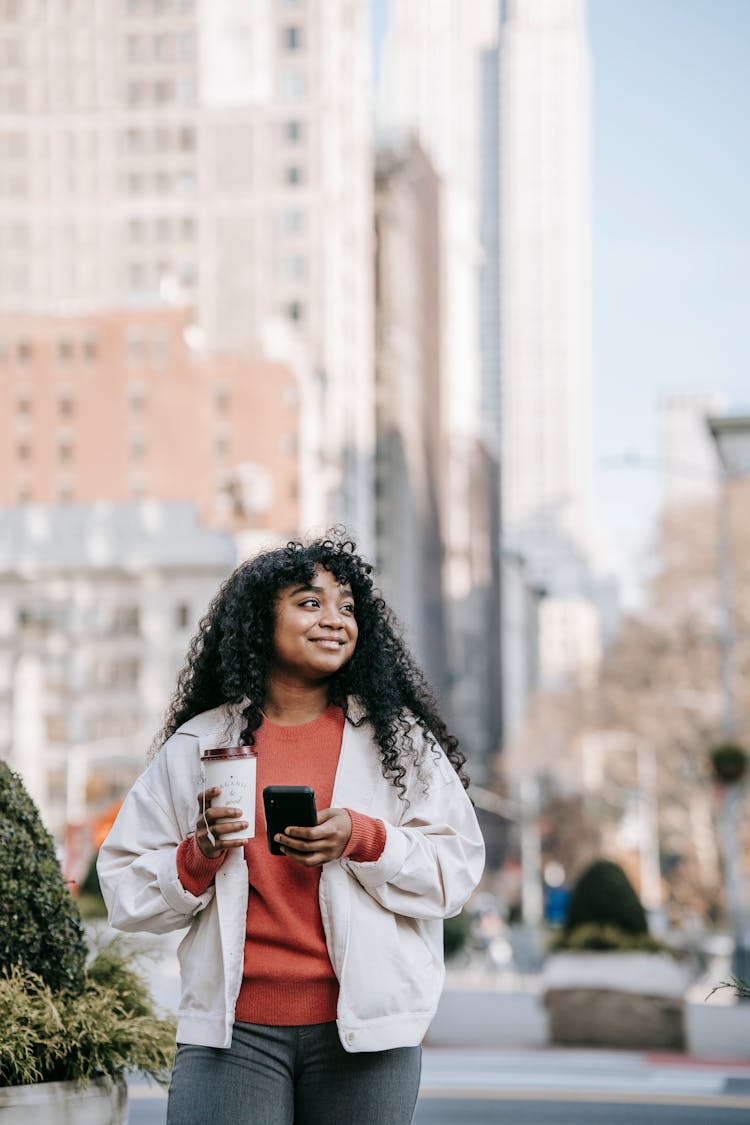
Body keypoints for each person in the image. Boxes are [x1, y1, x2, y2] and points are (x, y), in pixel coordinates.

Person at [97, 534, 485, 1125]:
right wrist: (197, 855)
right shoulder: (198, 745)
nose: (335, 620)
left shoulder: (398, 742)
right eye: (310, 603)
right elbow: (123, 886)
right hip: (232, 1036)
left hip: (366, 1035)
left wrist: (364, 838)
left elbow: (455, 871)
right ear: (259, 622)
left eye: (347, 607)